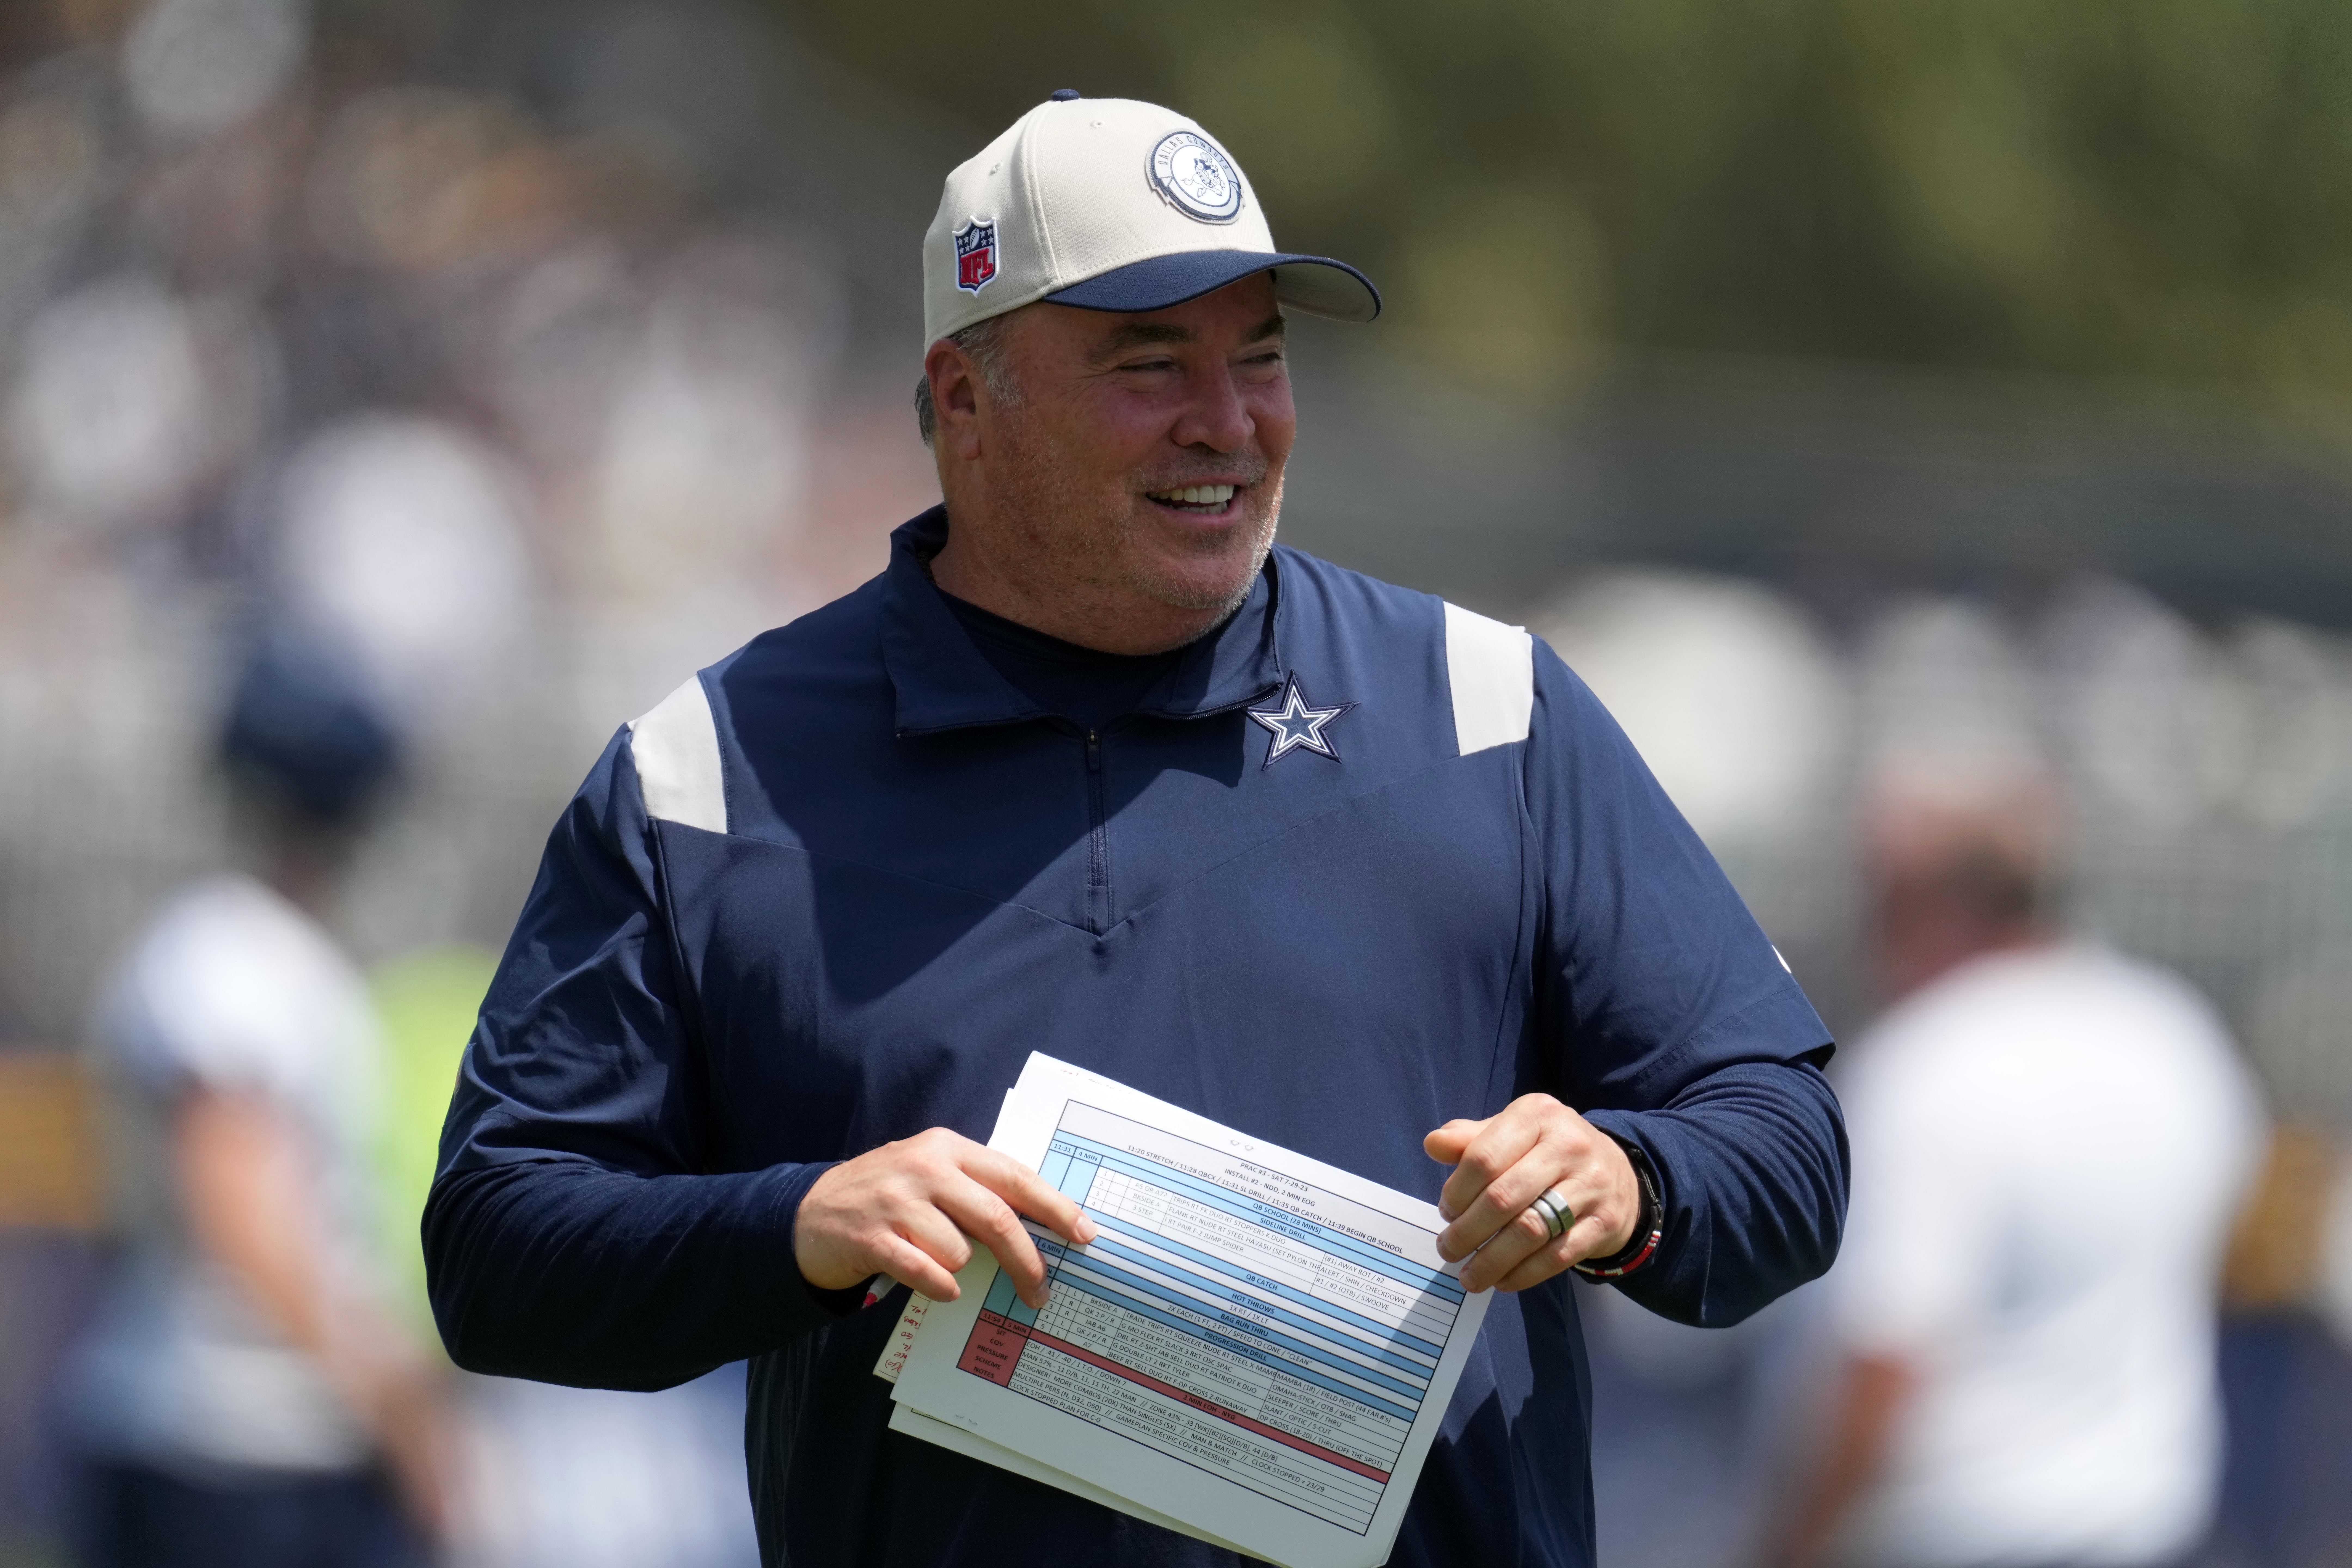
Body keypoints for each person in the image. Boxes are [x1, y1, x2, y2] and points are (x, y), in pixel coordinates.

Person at [426, 94, 1848, 1568]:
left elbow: (1786, 1145)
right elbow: (498, 1250)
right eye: (1148, 364)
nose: (1228, 422)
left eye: (1261, 358)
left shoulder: (1489, 713)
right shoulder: (710, 779)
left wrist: (1630, 1181)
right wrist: (798, 1227)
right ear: (966, 402)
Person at [1763, 756, 2265, 1568]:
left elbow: (1887, 1358)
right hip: (2151, 1528)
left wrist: (1787, 1547)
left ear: (1937, 905)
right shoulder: (2176, 1035)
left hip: (1954, 1537)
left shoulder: (1929, 1068)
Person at [60, 639, 452, 1567]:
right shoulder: (228, 953)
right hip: (224, 1446)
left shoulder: (261, 950)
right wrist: (397, 1407)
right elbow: (238, 1212)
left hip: (246, 1443)